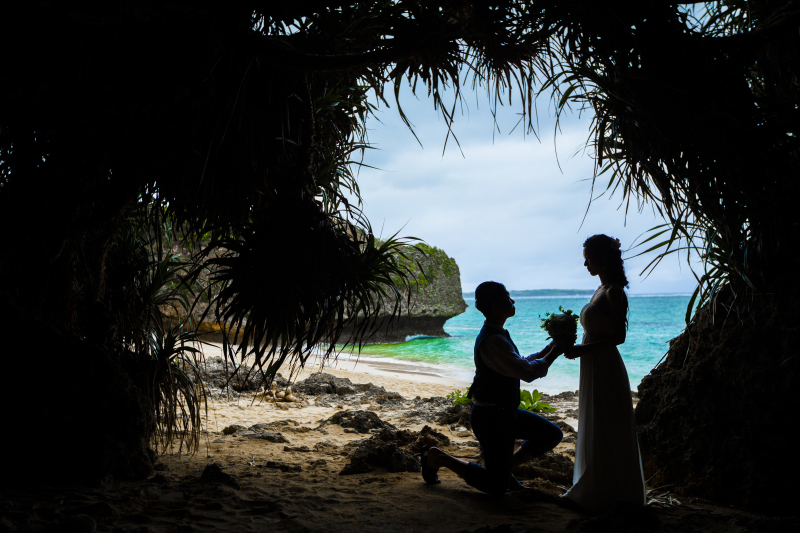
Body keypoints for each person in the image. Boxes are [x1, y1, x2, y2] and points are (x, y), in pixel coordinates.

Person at [421, 281, 567, 495]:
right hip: (491, 418)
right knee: (496, 488)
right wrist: (554, 353)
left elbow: (519, 363)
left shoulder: (498, 334)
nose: (513, 301)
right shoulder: (493, 341)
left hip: (505, 413)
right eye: (508, 298)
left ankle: (503, 471)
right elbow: (526, 373)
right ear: (495, 307)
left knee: (550, 435)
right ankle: (437, 457)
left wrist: (548, 348)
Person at [561, 235, 646, 511]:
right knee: (596, 420)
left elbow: (619, 337)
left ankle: (607, 490)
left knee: (606, 423)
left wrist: (582, 351)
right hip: (593, 364)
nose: (585, 262)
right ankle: (596, 486)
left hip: (605, 366)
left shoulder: (614, 292)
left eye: (588, 256)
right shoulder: (601, 289)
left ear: (603, 258)